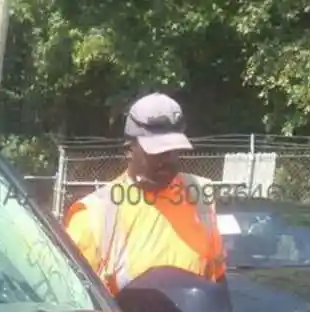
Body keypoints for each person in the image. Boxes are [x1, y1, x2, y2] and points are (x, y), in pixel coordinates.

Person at [63, 93, 226, 295]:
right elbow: (73, 301)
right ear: (129, 150)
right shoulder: (93, 216)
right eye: (157, 152)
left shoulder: (199, 194)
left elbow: (217, 277)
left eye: (174, 150)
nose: (168, 159)